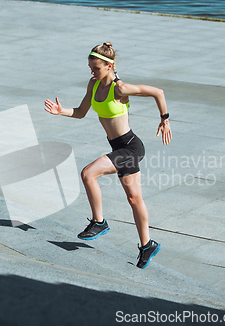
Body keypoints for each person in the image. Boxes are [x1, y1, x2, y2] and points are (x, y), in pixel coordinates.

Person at [44, 42, 172, 269]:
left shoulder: (119, 88)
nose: (92, 72)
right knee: (134, 199)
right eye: (90, 68)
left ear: (109, 65)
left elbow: (158, 92)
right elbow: (81, 112)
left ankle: (99, 222)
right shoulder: (93, 84)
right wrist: (60, 111)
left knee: (88, 173)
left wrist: (165, 119)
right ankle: (147, 245)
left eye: (96, 68)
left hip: (131, 148)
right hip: (118, 148)